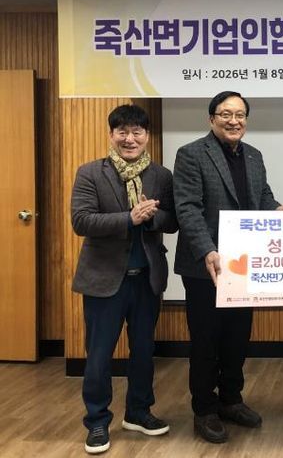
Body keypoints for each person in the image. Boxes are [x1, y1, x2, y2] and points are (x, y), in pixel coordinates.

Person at [173, 90, 283, 444]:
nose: (233, 120)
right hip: (206, 267)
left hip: (244, 265)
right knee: (206, 341)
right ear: (211, 118)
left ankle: (231, 399)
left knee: (237, 338)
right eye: (225, 114)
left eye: (240, 114)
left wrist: (275, 210)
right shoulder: (191, 154)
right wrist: (207, 250)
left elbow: (262, 197)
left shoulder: (254, 156)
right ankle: (204, 409)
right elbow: (188, 208)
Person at [71, 104, 177, 454]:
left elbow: (173, 220)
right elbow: (81, 221)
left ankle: (139, 412)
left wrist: (152, 217)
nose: (130, 139)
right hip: (103, 280)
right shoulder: (91, 173)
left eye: (137, 132)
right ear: (111, 135)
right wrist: (129, 218)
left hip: (146, 279)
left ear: (147, 136)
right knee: (99, 355)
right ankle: (97, 421)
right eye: (122, 132)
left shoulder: (160, 175)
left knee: (143, 351)